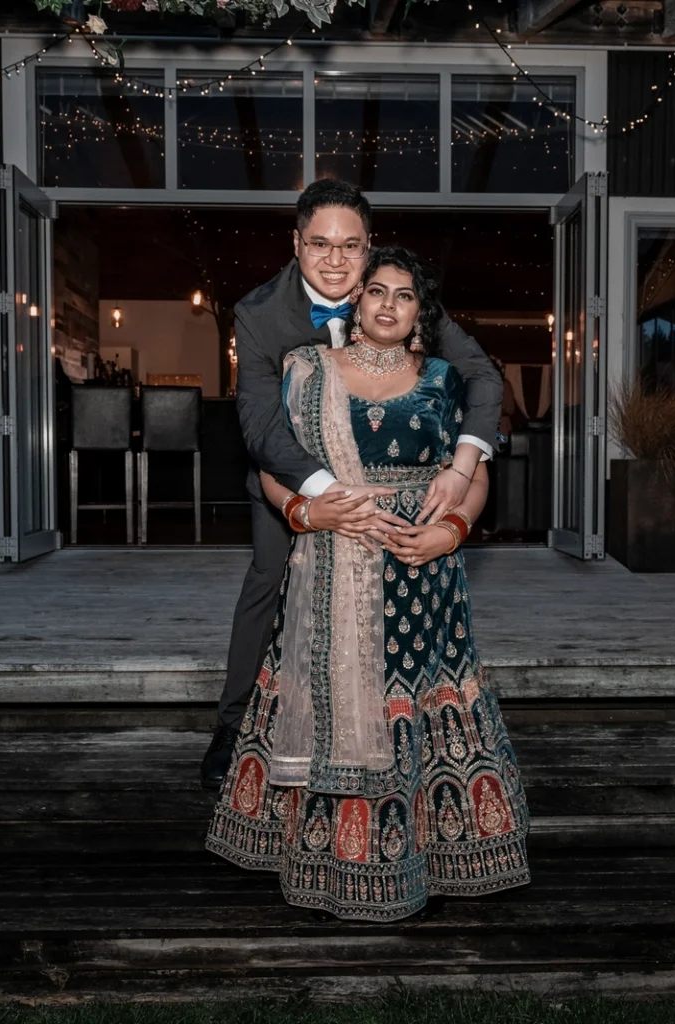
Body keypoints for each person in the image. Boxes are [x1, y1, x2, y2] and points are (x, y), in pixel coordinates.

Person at [205, 246, 530, 921]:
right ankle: (326, 864)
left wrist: (454, 530)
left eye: (403, 295)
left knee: (408, 704)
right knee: (337, 702)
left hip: (423, 575)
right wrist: (303, 509)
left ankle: (428, 860)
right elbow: (274, 460)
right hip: (330, 565)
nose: (386, 303)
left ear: (419, 313)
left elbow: (473, 472)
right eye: (375, 290)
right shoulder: (307, 370)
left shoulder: (443, 380)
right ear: (357, 302)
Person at [202, 180, 503, 791]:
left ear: (369, 248)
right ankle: (236, 728)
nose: (335, 260)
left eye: (350, 246)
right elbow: (262, 428)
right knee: (269, 578)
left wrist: (462, 465)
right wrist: (327, 497)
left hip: (399, 486)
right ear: (296, 244)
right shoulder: (259, 315)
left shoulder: (395, 296)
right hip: (293, 474)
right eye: (320, 244)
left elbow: (482, 378)